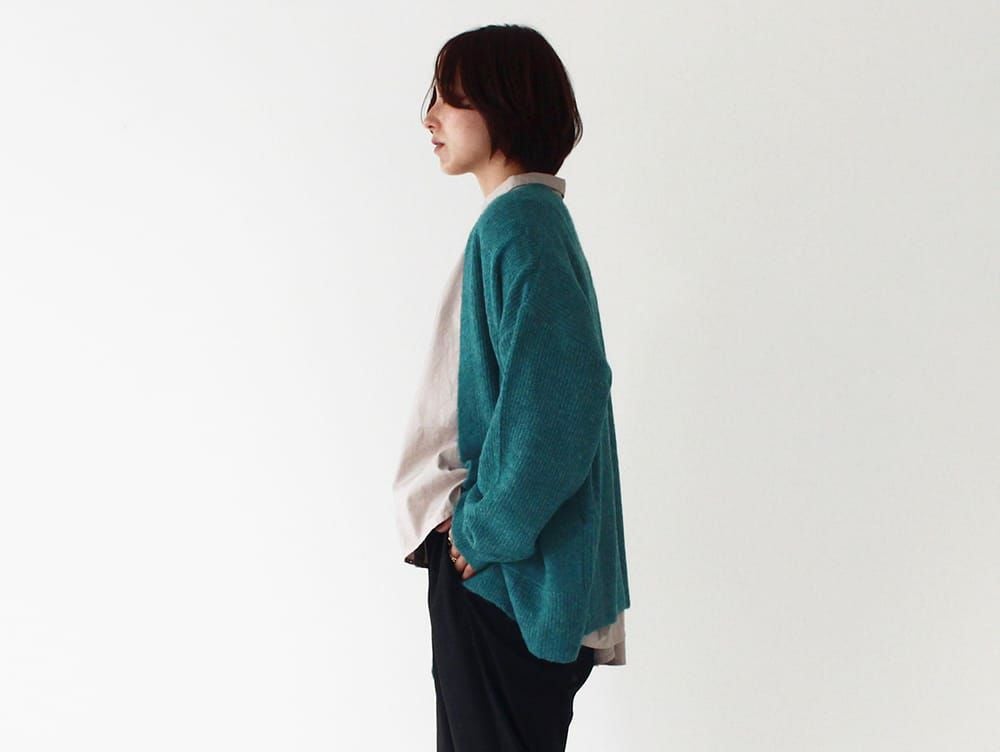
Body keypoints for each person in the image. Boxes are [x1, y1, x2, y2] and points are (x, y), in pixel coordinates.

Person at [392, 23, 631, 751]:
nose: (430, 116)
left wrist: (484, 530)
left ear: (504, 107)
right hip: (503, 576)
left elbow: (565, 400)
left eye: (449, 97)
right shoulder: (523, 222)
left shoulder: (521, 225)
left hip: (503, 581)